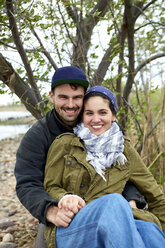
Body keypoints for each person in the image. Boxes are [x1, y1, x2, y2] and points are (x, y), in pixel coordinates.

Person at [14, 67, 145, 248]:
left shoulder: (102, 127)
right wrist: (50, 211)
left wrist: (132, 198)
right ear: (51, 96)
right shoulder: (37, 136)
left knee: (145, 232)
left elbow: (123, 169)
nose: (70, 104)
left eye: (77, 98)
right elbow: (27, 184)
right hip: (61, 214)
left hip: (108, 208)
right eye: (63, 97)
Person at [43, 86, 165, 248]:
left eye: (102, 112)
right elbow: (50, 186)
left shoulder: (125, 150)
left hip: (118, 220)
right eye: (89, 113)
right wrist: (66, 198)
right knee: (114, 201)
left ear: (113, 116)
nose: (96, 119)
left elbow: (155, 196)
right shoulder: (65, 144)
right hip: (73, 225)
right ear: (82, 117)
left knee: (149, 229)